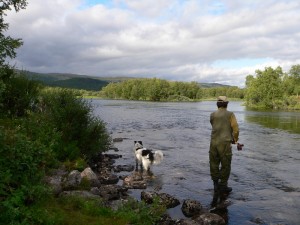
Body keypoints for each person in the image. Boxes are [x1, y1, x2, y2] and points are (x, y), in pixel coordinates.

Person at [209, 96, 239, 193]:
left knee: (214, 164)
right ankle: (223, 186)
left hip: (213, 142)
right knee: (226, 165)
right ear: (226, 104)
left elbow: (213, 125)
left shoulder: (212, 114)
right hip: (225, 143)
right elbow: (236, 129)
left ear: (217, 104)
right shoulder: (230, 114)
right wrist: (235, 140)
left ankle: (215, 185)